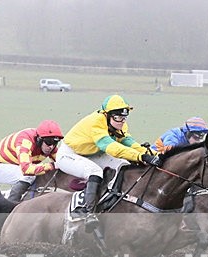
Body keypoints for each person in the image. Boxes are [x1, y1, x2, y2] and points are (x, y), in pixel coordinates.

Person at [56, 94, 161, 223]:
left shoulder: (120, 125)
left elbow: (129, 143)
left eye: (124, 117)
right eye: (117, 117)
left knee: (123, 165)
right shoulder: (96, 122)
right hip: (70, 154)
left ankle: (113, 199)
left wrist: (152, 154)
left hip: (93, 152)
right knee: (95, 172)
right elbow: (111, 148)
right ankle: (87, 211)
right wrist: (140, 156)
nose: (121, 121)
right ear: (107, 115)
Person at [0, 120, 63, 202]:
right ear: (39, 139)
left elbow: (62, 162)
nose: (51, 146)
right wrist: (51, 166)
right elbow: (26, 170)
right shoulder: (25, 141)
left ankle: (8, 195)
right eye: (49, 142)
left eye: (55, 142)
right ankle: (11, 205)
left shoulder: (50, 147)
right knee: (29, 176)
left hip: (15, 166)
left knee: (37, 175)